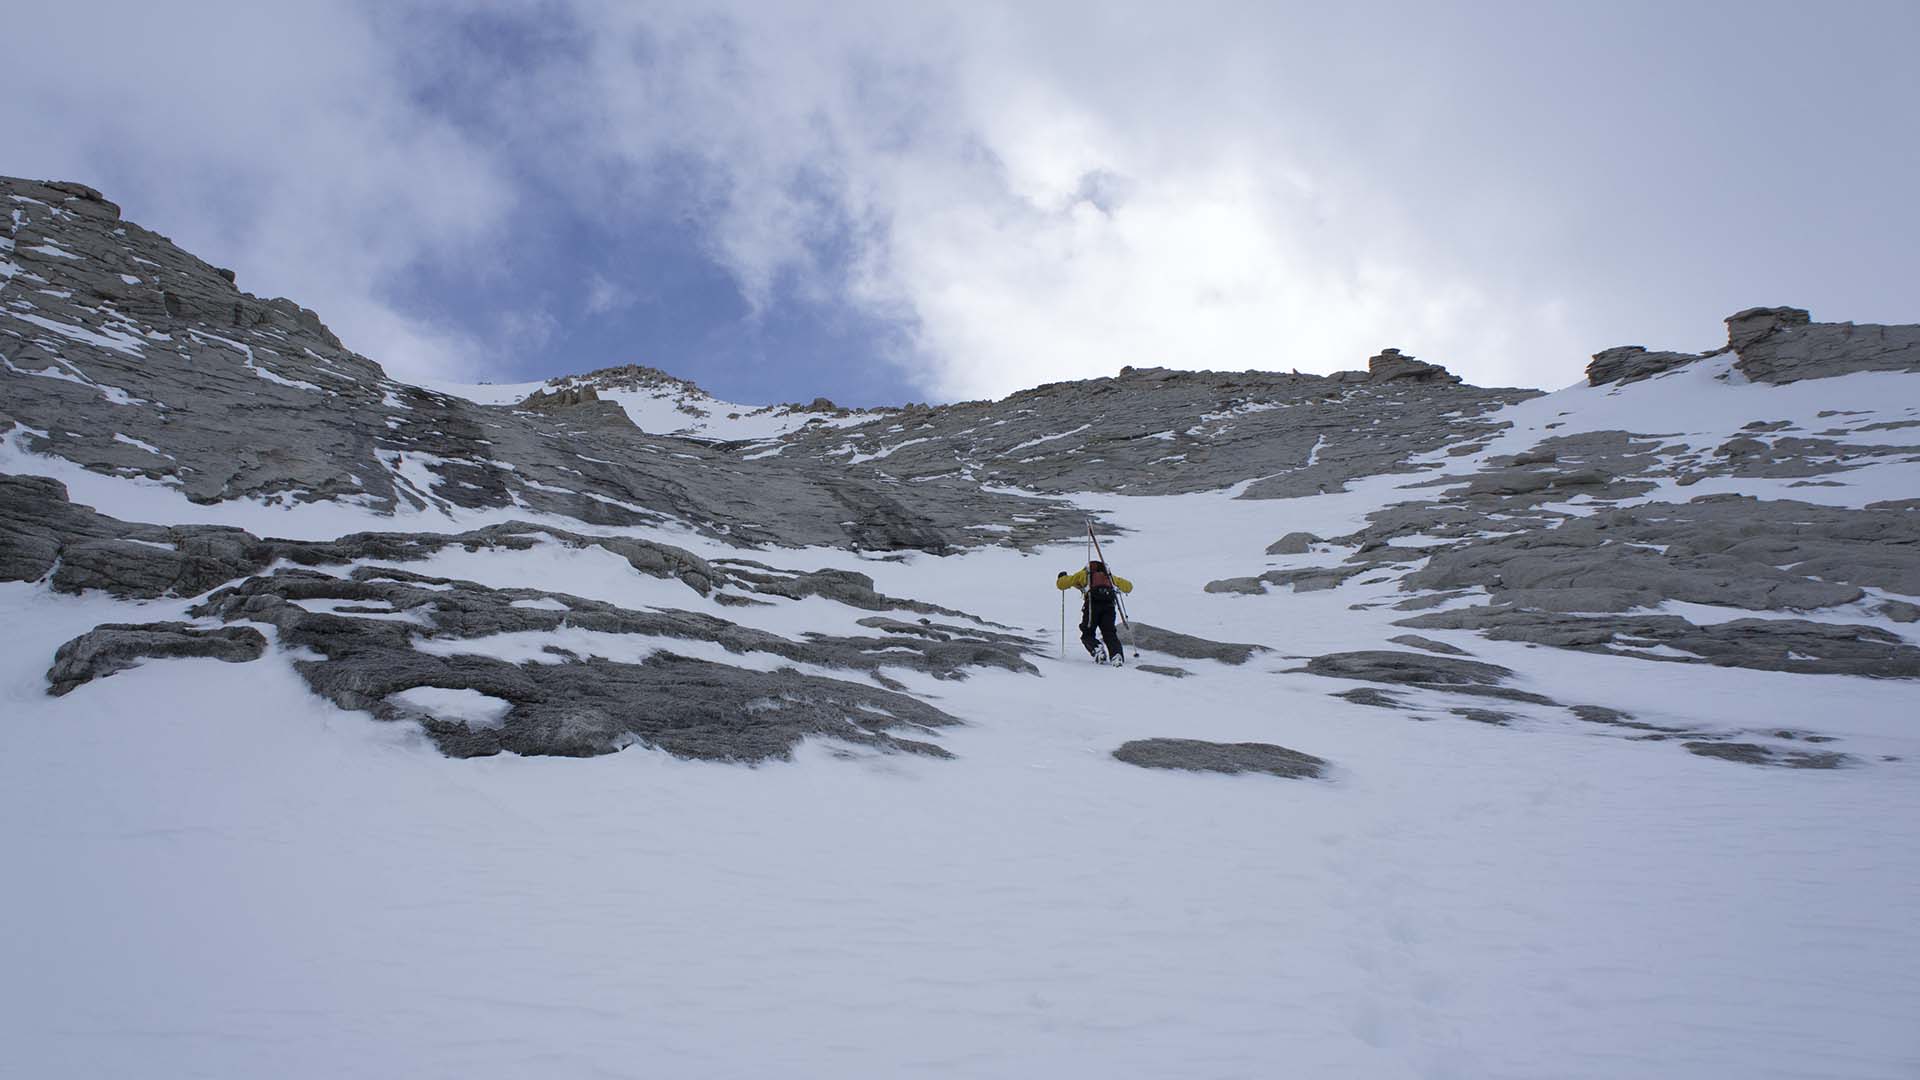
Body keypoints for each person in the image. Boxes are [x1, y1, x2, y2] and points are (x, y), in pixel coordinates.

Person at [1056, 560, 1133, 665]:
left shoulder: (1083, 574)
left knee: (1087, 634)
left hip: (1092, 606)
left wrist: (1062, 577)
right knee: (1109, 633)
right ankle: (1116, 655)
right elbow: (1129, 587)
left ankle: (1097, 650)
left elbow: (1062, 584)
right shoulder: (1110, 577)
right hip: (1109, 606)